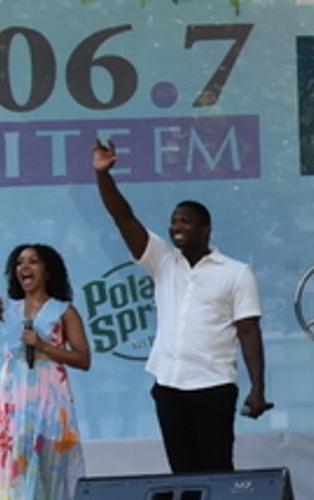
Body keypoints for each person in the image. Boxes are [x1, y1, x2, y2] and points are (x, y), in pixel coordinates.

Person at [91, 138, 269, 473]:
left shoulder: (236, 272)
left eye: (185, 221)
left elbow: (249, 332)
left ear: (205, 228)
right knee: (182, 474)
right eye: (174, 221)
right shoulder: (162, 261)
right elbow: (123, 218)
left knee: (216, 471)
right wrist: (103, 176)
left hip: (214, 386)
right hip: (169, 386)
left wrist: (258, 388)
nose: (176, 227)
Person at [0, 245, 90, 500]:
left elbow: (83, 358)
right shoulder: (8, 308)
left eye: (33, 261)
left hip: (51, 402)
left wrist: (45, 346)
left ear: (48, 270)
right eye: (19, 262)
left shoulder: (64, 311)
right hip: (13, 404)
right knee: (19, 483)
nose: (25, 267)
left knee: (54, 480)